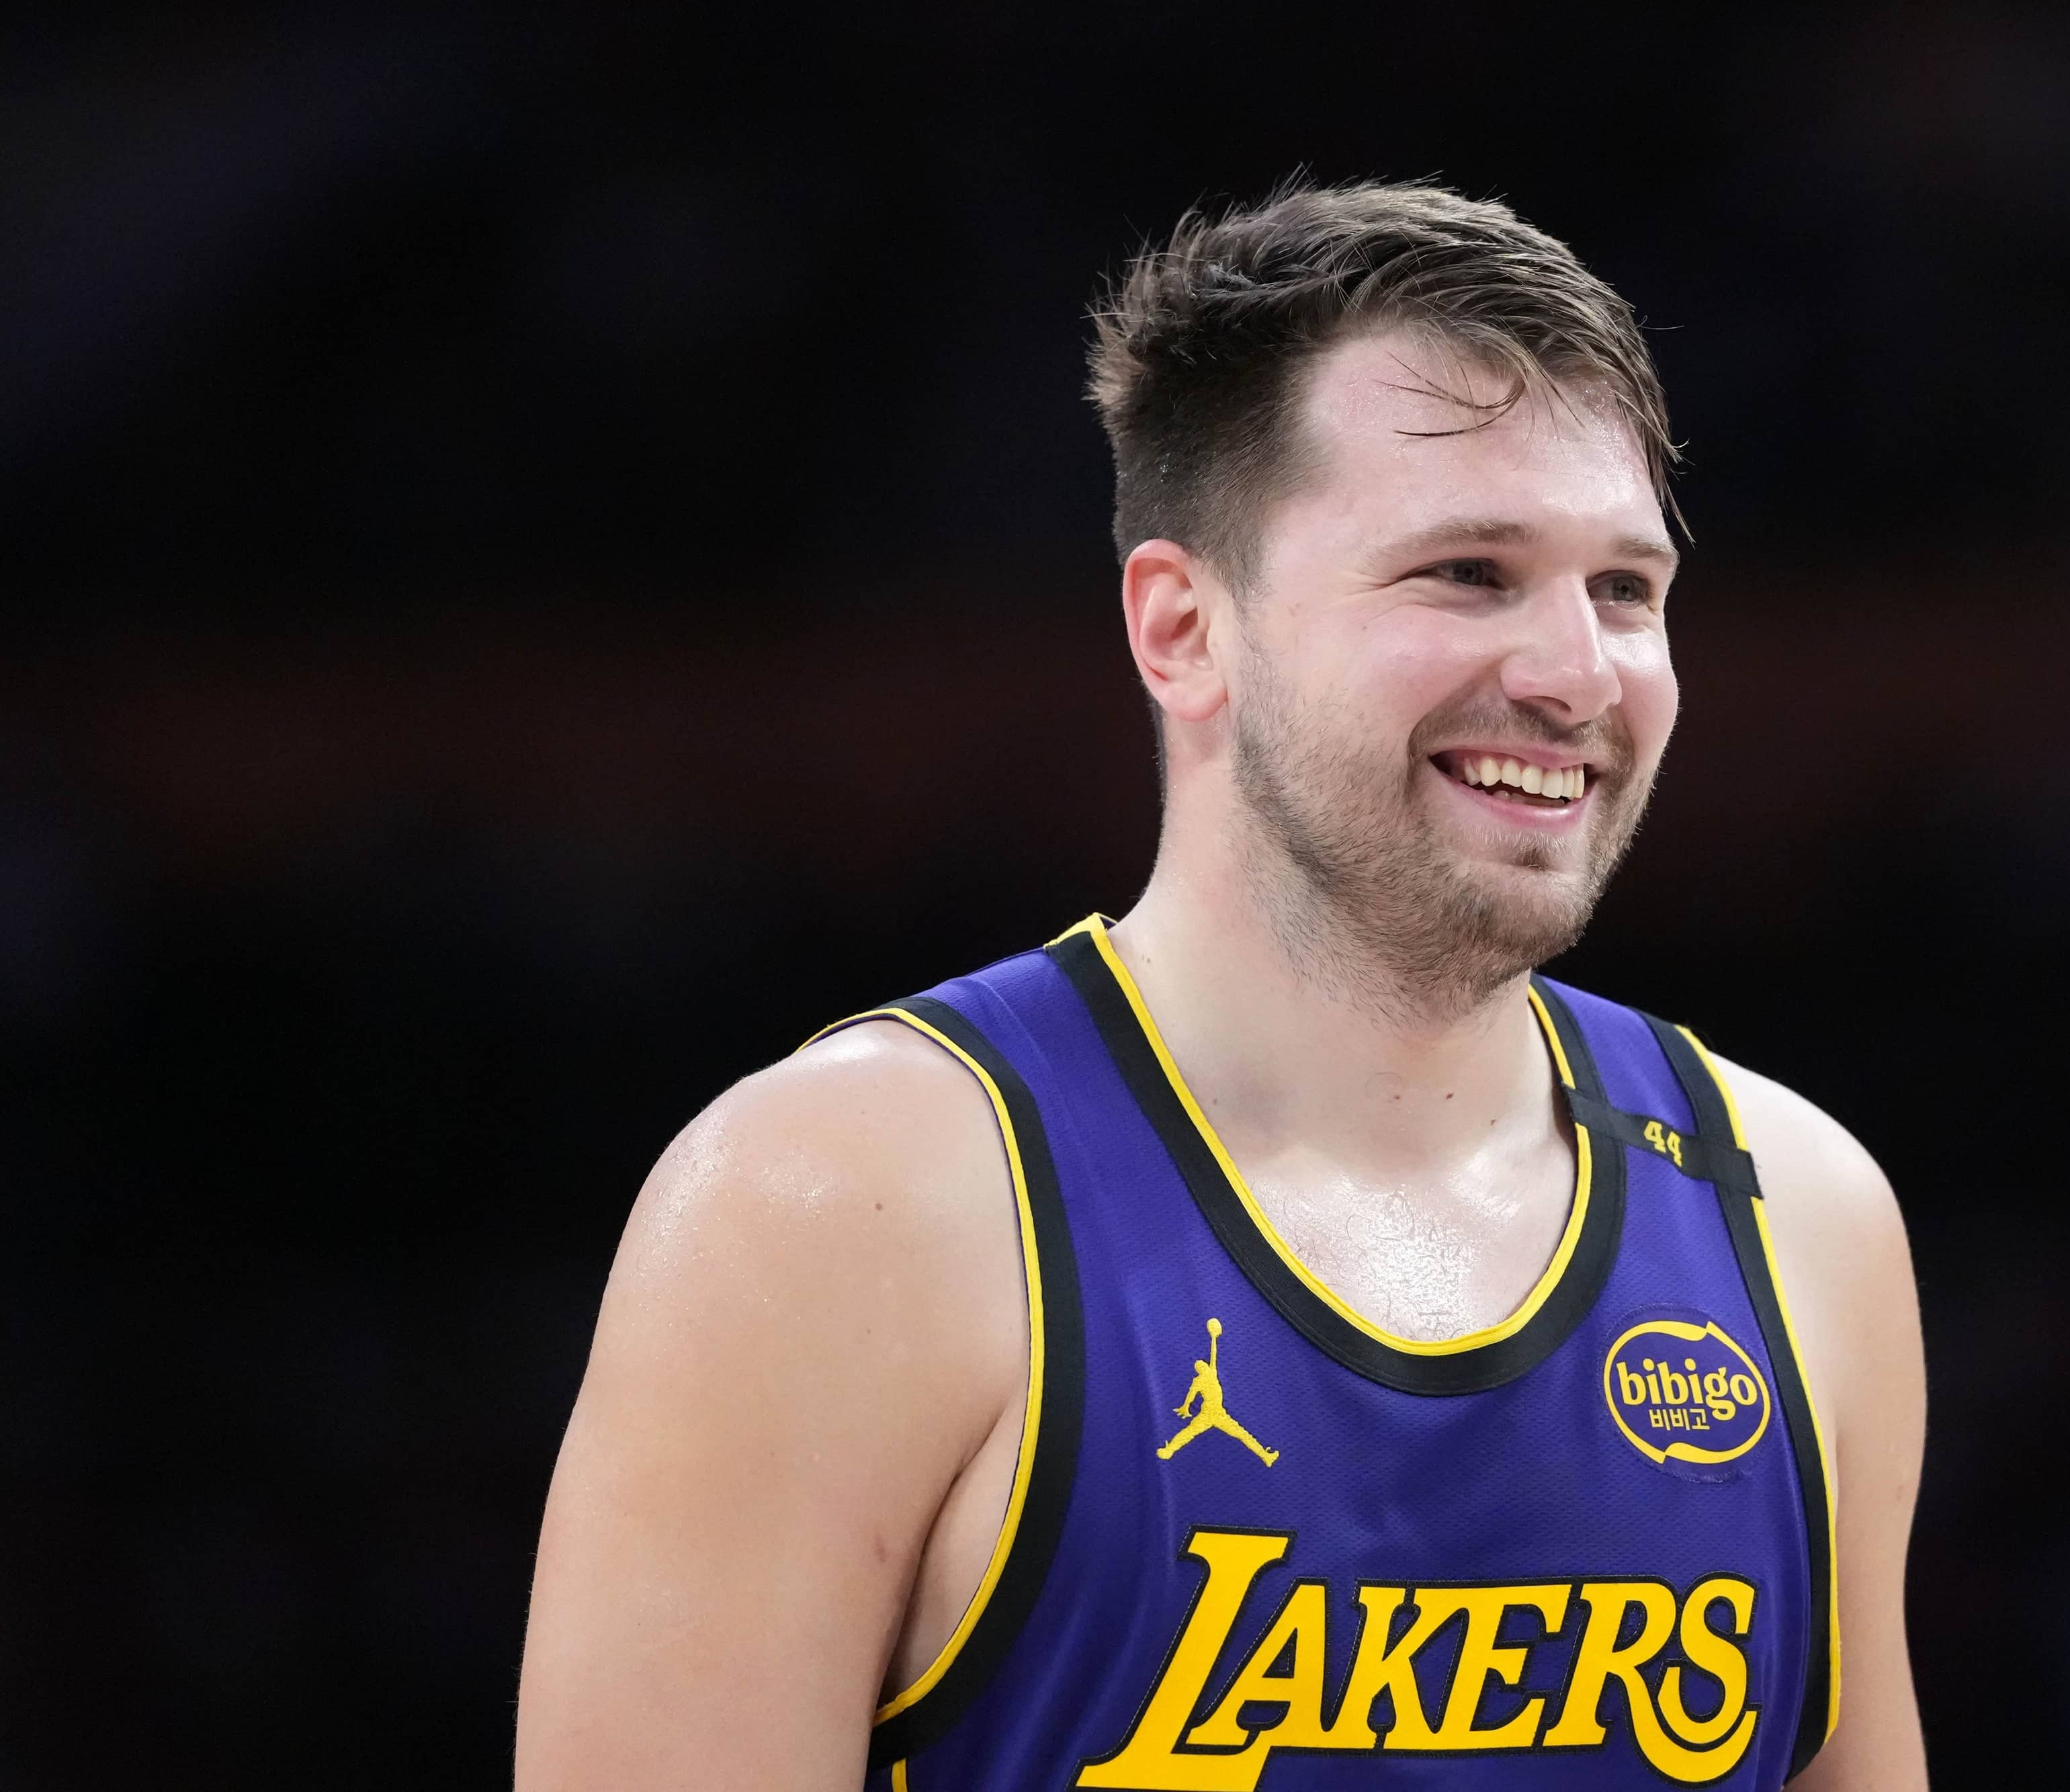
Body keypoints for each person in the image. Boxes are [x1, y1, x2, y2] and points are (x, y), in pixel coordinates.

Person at [517, 179, 1926, 1791]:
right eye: (1466, 571)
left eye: (1624, 588)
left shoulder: (1798, 1214)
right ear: (1184, 627)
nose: (1574, 673)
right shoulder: (838, 1204)